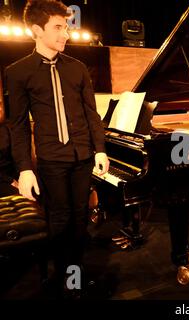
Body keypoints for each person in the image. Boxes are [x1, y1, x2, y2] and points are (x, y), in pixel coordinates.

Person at [5, 0, 109, 296]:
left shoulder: (77, 69)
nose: (66, 34)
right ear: (37, 30)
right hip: (52, 159)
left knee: (80, 222)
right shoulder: (18, 71)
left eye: (66, 26)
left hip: (82, 156)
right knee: (59, 222)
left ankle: (74, 277)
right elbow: (18, 126)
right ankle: (61, 275)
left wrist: (99, 149)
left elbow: (91, 113)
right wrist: (25, 168)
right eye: (58, 27)